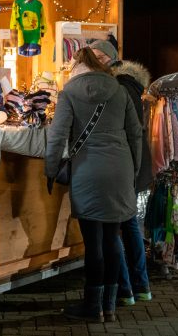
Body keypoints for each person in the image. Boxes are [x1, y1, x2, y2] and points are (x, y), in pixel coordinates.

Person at [45, 47, 142, 323]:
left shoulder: (69, 93)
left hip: (88, 171)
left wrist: (50, 171)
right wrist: (132, 170)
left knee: (93, 244)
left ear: (77, 66)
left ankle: (92, 305)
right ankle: (109, 306)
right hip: (120, 169)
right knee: (113, 240)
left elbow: (57, 137)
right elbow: (135, 134)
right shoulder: (119, 90)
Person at [89, 38, 154, 306]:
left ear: (107, 58)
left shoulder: (118, 88)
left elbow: (125, 132)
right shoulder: (129, 85)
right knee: (128, 227)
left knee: (114, 229)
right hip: (129, 166)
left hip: (123, 166)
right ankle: (140, 288)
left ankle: (126, 290)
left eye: (95, 56)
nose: (92, 61)